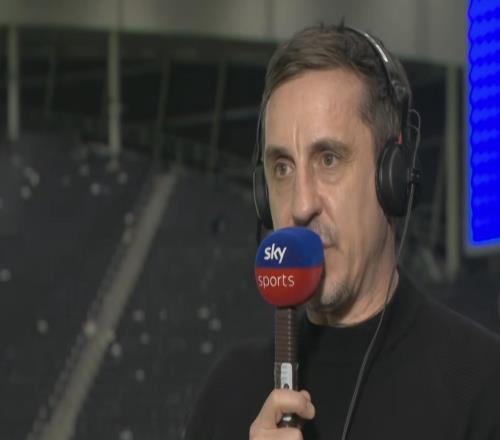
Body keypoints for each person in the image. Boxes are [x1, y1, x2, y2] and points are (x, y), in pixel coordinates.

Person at [184, 23, 500, 440]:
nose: (301, 206)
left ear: (393, 176)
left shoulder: (483, 386)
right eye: (282, 168)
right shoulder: (228, 393)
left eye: (328, 159)